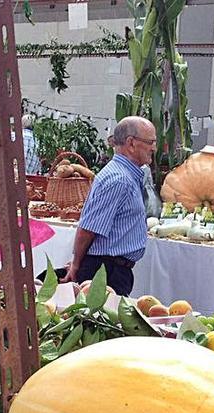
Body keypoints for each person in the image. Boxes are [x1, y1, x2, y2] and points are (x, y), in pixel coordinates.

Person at [64, 116, 156, 296]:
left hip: (110, 269)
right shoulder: (119, 180)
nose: (154, 147)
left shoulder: (124, 175)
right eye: (150, 142)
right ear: (131, 143)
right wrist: (76, 265)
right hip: (106, 271)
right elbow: (88, 228)